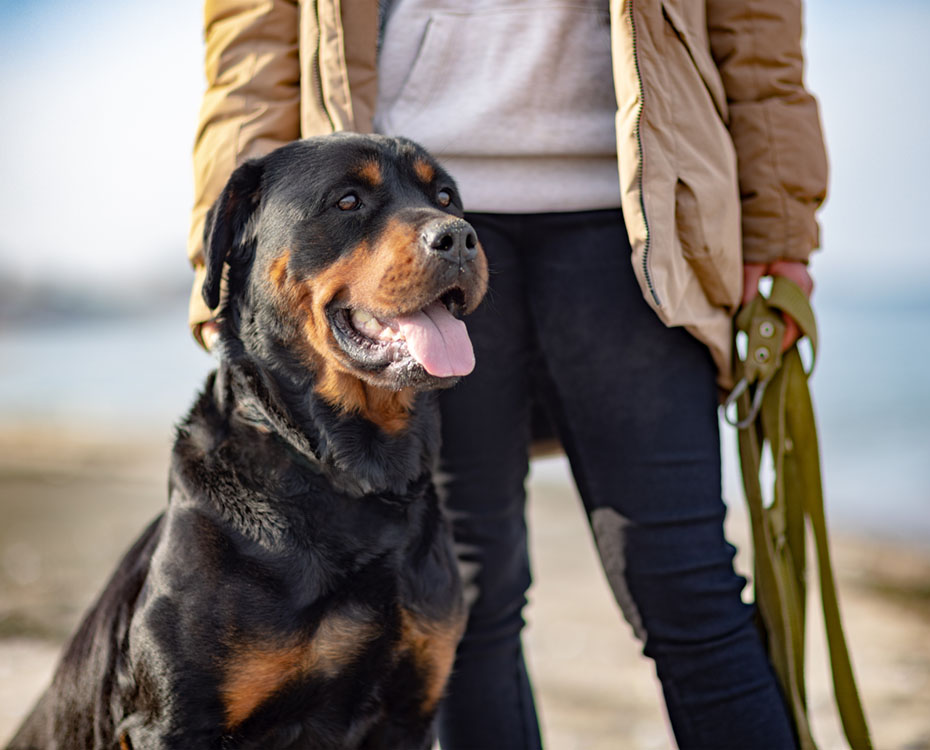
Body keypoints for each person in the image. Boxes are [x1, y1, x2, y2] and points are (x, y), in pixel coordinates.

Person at [187, 2, 827, 748]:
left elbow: (755, 20)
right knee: (467, 597)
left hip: (640, 210)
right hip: (392, 226)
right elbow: (252, 42)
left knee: (686, 584)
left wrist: (777, 219)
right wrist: (229, 250)